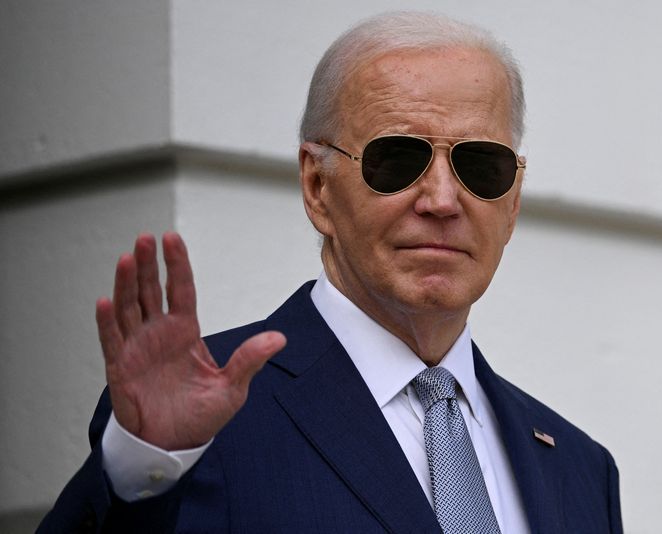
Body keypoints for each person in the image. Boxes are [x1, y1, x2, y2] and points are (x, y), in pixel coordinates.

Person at [39, 11, 622, 534]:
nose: (443, 200)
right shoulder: (198, 427)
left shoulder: (578, 468)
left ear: (512, 201)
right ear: (318, 187)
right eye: (396, 159)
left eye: (481, 165)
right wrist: (146, 465)